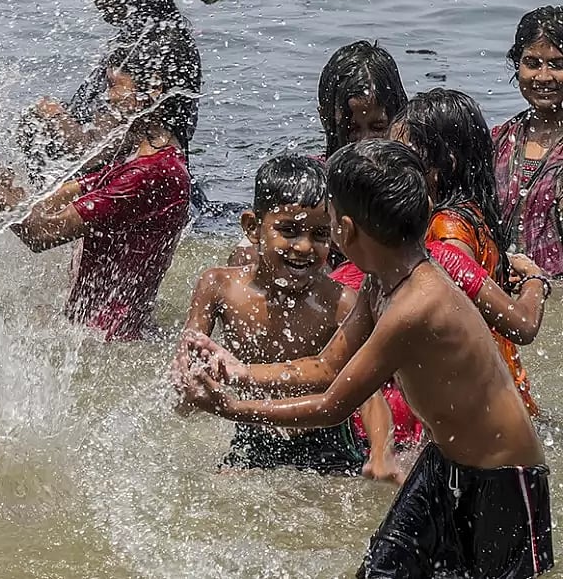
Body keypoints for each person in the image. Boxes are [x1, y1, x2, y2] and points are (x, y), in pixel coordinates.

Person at [178, 140, 553, 578]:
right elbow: (324, 366)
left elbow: (331, 405)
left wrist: (228, 406)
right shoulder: (381, 282)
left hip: (505, 479)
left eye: (328, 221)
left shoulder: (415, 306)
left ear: (346, 230)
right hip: (441, 465)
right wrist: (240, 370)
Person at [0, 42, 191, 342]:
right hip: (97, 333)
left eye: (114, 87)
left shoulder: (151, 172)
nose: (107, 98)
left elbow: (40, 233)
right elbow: (41, 203)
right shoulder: (143, 158)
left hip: (106, 342)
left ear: (152, 90)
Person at [179, 155, 399, 482]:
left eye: (320, 234)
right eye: (289, 230)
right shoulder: (219, 287)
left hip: (327, 439)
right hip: (255, 433)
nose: (304, 246)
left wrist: (382, 452)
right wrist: (188, 386)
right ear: (253, 228)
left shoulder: (339, 302)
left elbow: (365, 389)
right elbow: (188, 361)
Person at [18, 0, 201, 186]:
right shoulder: (157, 34)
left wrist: (52, 116)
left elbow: (97, 148)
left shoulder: (151, 48)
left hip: (133, 194)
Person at [389, 88, 538, 415]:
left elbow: (453, 321)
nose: (393, 166)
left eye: (404, 156)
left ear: (446, 163)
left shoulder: (448, 230)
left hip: (482, 410)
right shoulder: (474, 213)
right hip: (507, 395)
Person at [228, 40, 407, 265]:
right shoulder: (311, 182)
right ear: (326, 118)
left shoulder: (407, 182)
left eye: (378, 128)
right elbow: (245, 254)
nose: (364, 143)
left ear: (398, 118)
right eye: (351, 130)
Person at [493, 6, 563, 275]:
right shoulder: (499, 140)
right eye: (532, 63)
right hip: (505, 287)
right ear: (517, 66)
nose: (543, 77)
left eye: (557, 64)